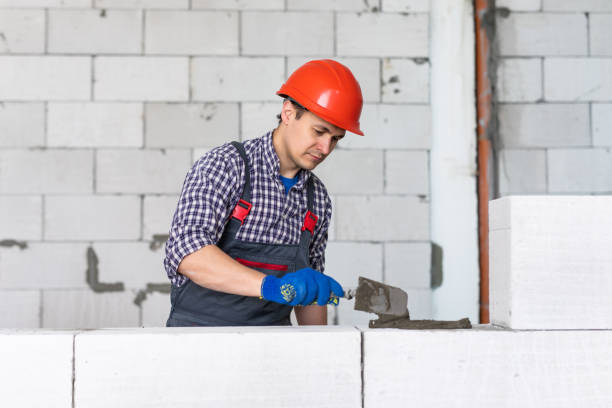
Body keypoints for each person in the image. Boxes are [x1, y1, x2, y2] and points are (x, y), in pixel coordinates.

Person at [164, 59, 364, 327]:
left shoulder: (317, 199)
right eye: (319, 131)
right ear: (289, 113)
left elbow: (310, 292)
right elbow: (188, 253)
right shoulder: (227, 166)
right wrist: (272, 287)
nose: (325, 148)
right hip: (200, 341)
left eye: (336, 139)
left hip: (274, 350)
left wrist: (319, 351)